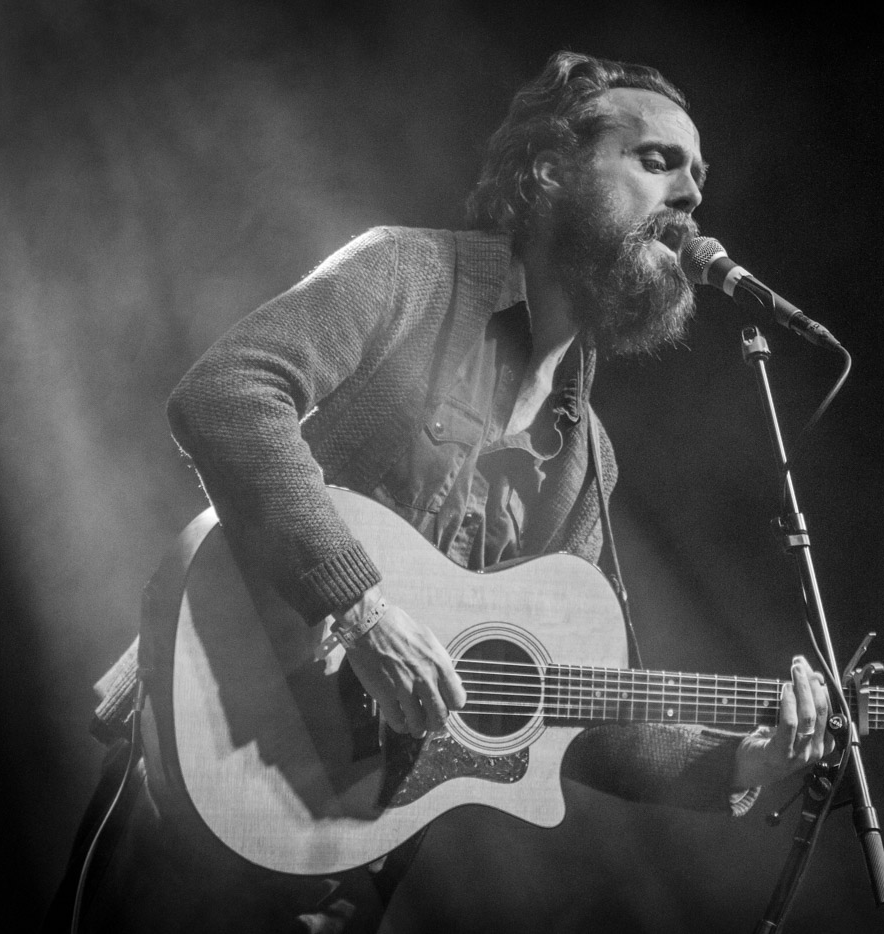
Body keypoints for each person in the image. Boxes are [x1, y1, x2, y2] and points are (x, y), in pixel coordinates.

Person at [50, 51, 832, 933]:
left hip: (350, 843)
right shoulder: (408, 276)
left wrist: (742, 763)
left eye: (698, 180)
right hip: (212, 748)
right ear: (548, 170)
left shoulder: (589, 459)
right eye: (657, 162)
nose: (689, 197)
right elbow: (226, 397)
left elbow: (573, 703)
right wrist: (363, 610)